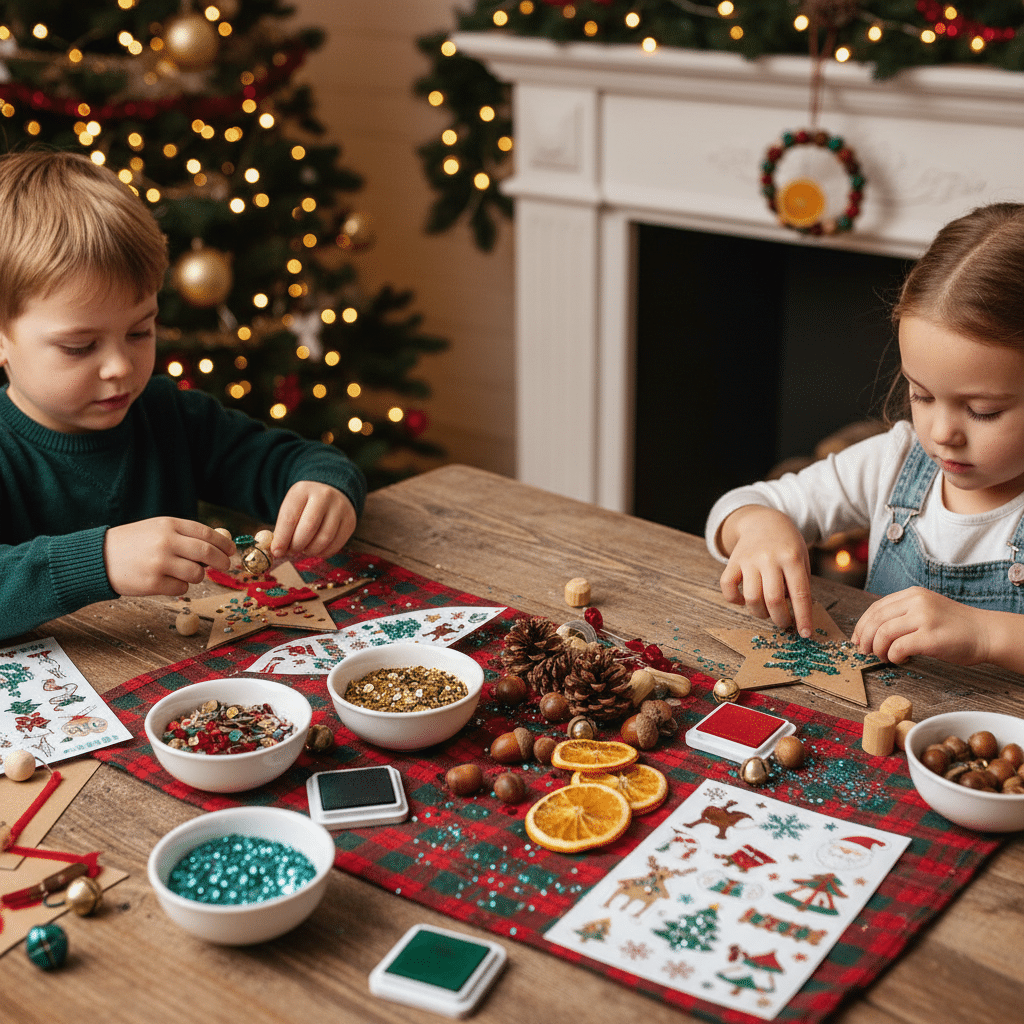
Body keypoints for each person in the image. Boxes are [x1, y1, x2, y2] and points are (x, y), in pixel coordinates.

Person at [0, 150, 366, 642]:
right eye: (79, 346)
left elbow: (299, 461)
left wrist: (326, 487)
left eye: (140, 331)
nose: (121, 367)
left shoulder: (169, 415)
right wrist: (101, 561)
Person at [705, 203, 1024, 674]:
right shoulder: (895, 463)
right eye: (922, 395)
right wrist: (757, 527)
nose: (941, 433)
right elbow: (738, 505)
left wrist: (986, 634)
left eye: (983, 411)